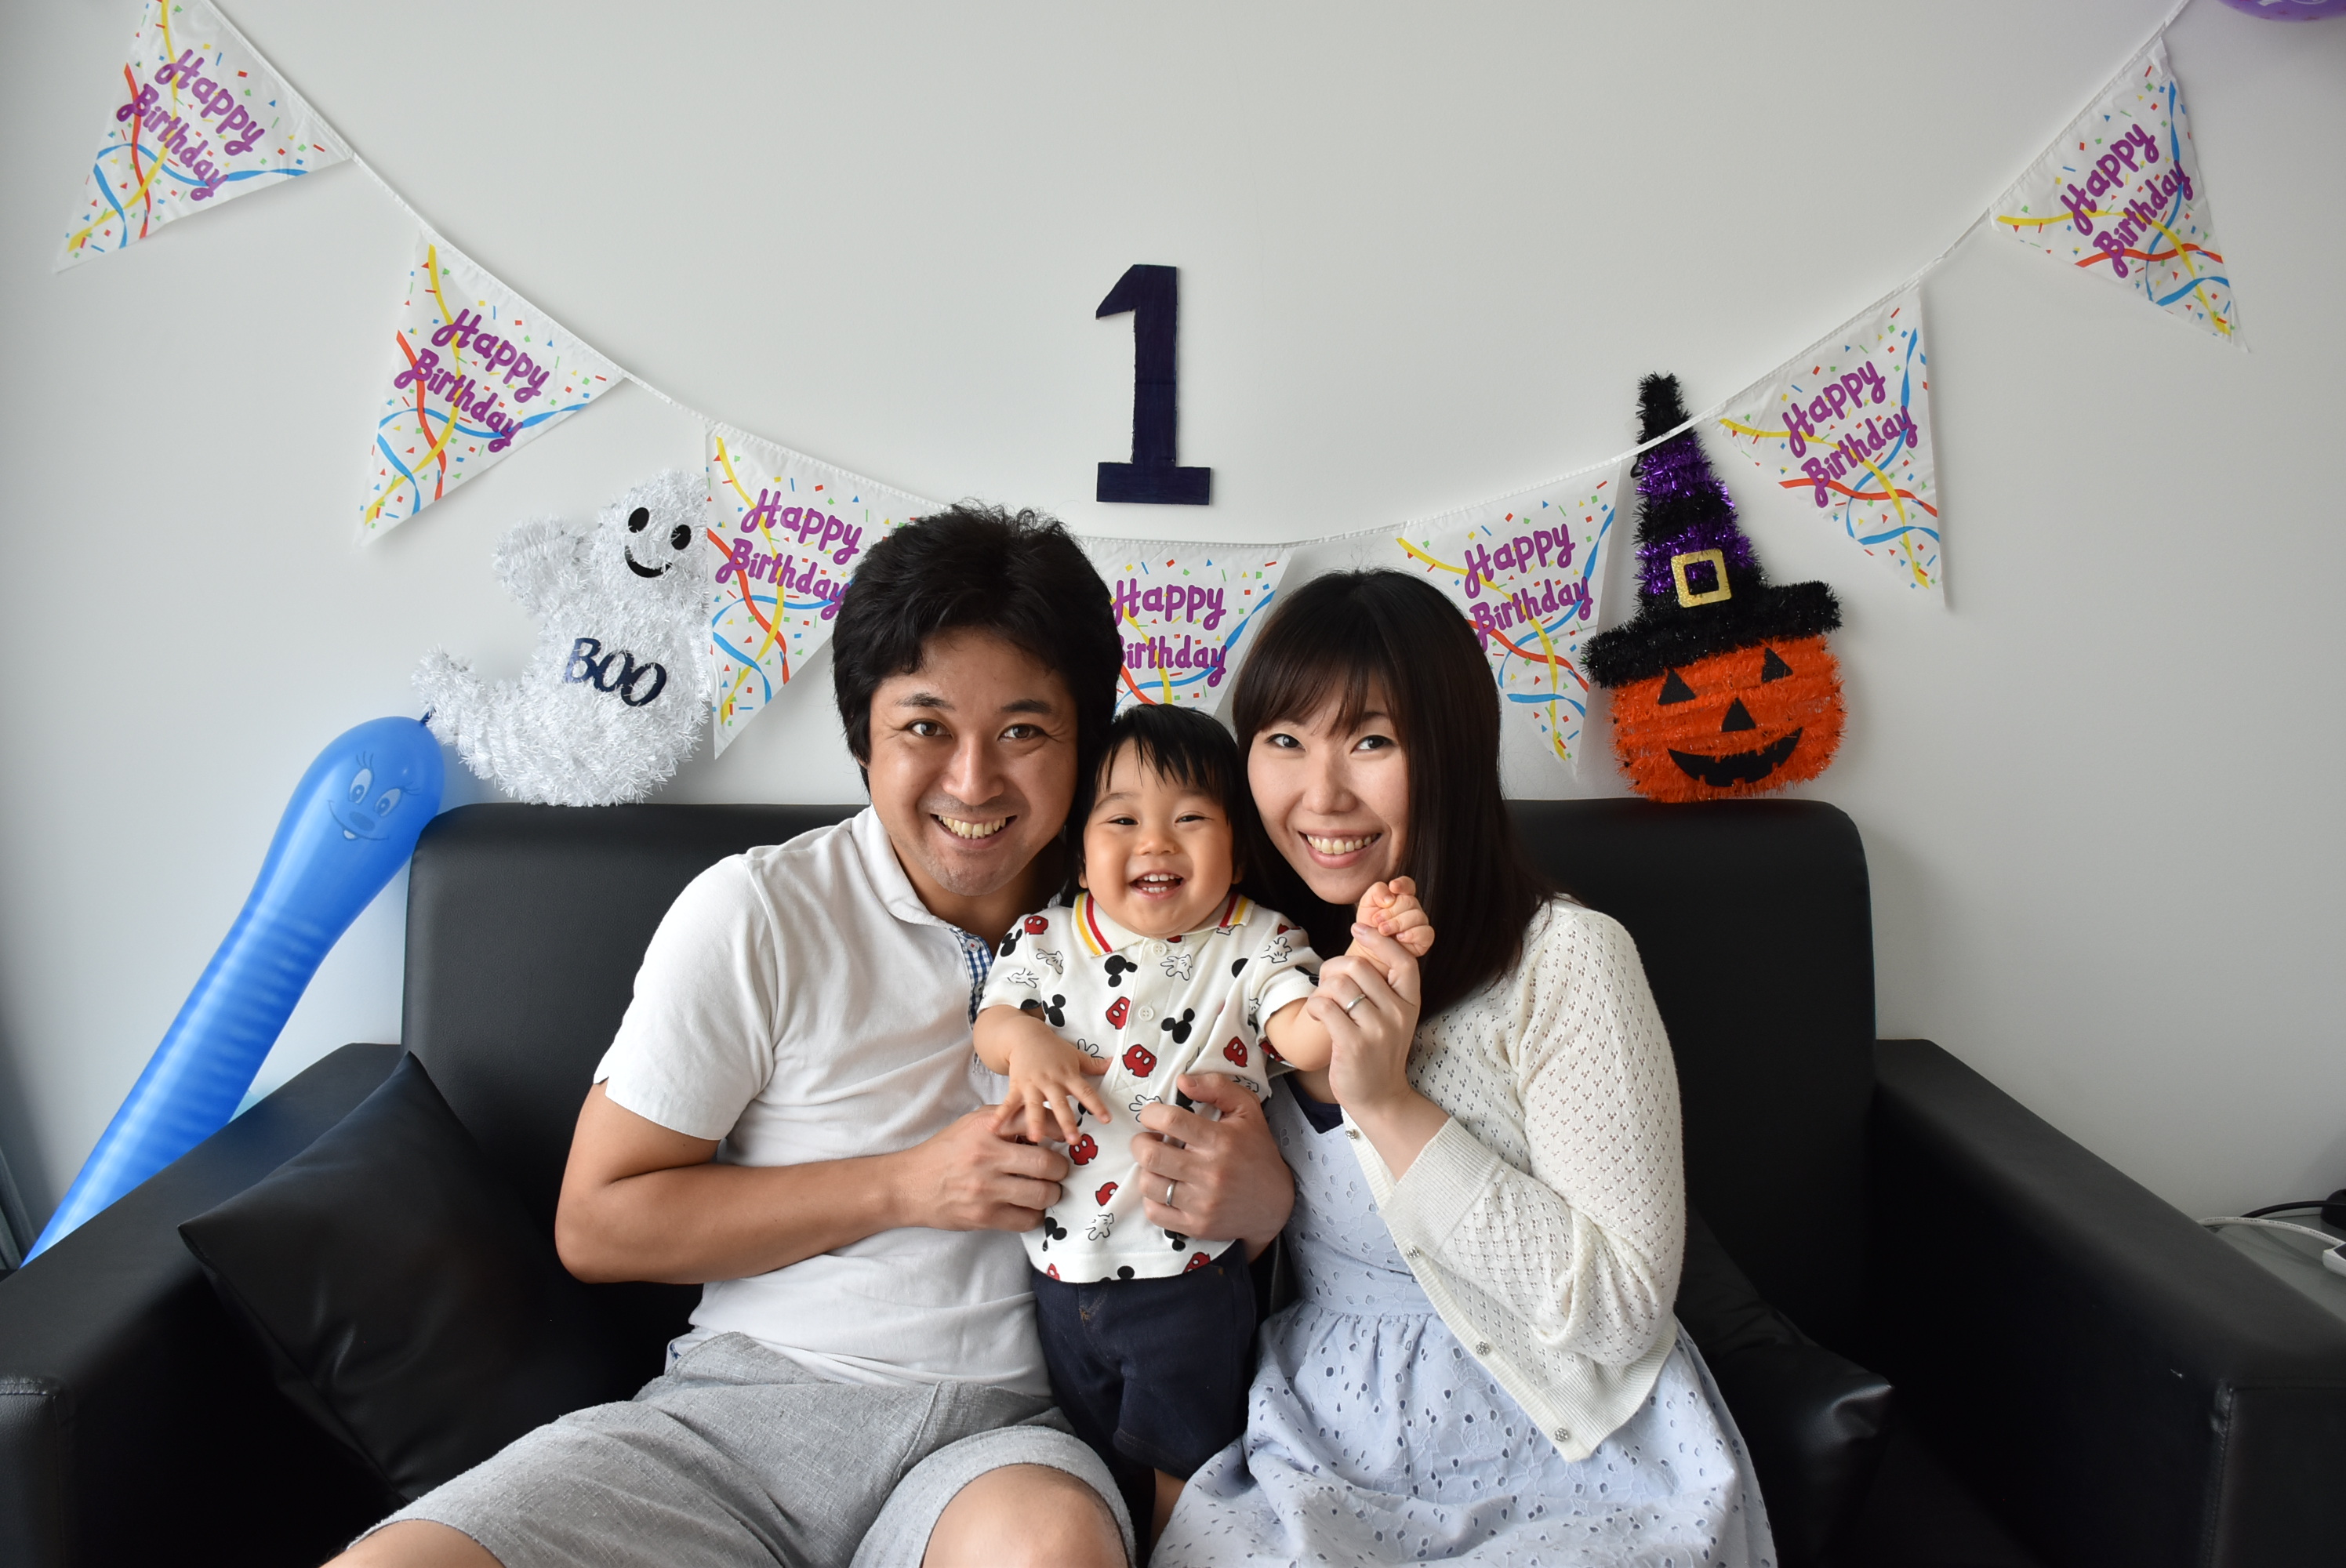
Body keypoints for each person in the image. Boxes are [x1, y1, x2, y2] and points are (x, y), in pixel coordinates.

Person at [332, 506, 1293, 1568]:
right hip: (735, 1425)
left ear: (1086, 743)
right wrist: (906, 1186)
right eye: (925, 727)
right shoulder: (758, 909)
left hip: (1007, 1444)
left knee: (1046, 1549)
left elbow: (1305, 1194)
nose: (974, 781)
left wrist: (1265, 1204)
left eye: (1024, 731)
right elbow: (599, 1223)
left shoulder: (1183, 920)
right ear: (862, 737)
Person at [1152, 570, 1777, 1566]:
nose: (1321, 794)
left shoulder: (1566, 960)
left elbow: (1622, 1309)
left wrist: (1387, 1101)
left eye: (1371, 741)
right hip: (1323, 1438)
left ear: (1449, 751)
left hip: (1558, 1448)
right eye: (1284, 739)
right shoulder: (1244, 961)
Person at [972, 702, 1431, 1544]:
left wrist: (1363, 962)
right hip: (1057, 1273)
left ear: (1239, 850)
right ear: (1080, 853)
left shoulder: (1258, 943)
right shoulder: (1044, 938)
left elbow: (1303, 1036)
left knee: (1186, 1473)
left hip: (1189, 1275)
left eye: (1189, 819)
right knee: (1094, 1462)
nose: (1155, 842)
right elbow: (992, 1024)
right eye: (1122, 821)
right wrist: (1026, 1043)